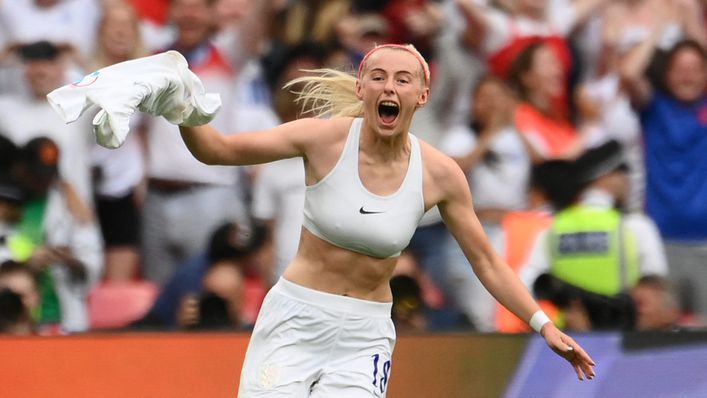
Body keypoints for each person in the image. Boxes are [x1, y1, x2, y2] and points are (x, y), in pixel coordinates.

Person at [175, 43, 594, 394]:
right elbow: (217, 151)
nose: (388, 86)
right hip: (294, 320)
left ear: (422, 95)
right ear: (361, 88)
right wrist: (180, 106)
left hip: (365, 336)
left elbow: (486, 261)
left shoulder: (441, 174)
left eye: (402, 79)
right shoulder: (323, 140)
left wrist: (542, 325)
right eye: (377, 76)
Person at [620, 35, 707, 319]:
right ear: (667, 74)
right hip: (660, 242)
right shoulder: (654, 107)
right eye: (680, 69)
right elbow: (628, 73)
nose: (688, 76)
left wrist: (692, 25)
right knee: (662, 333)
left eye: (695, 68)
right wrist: (657, 25)